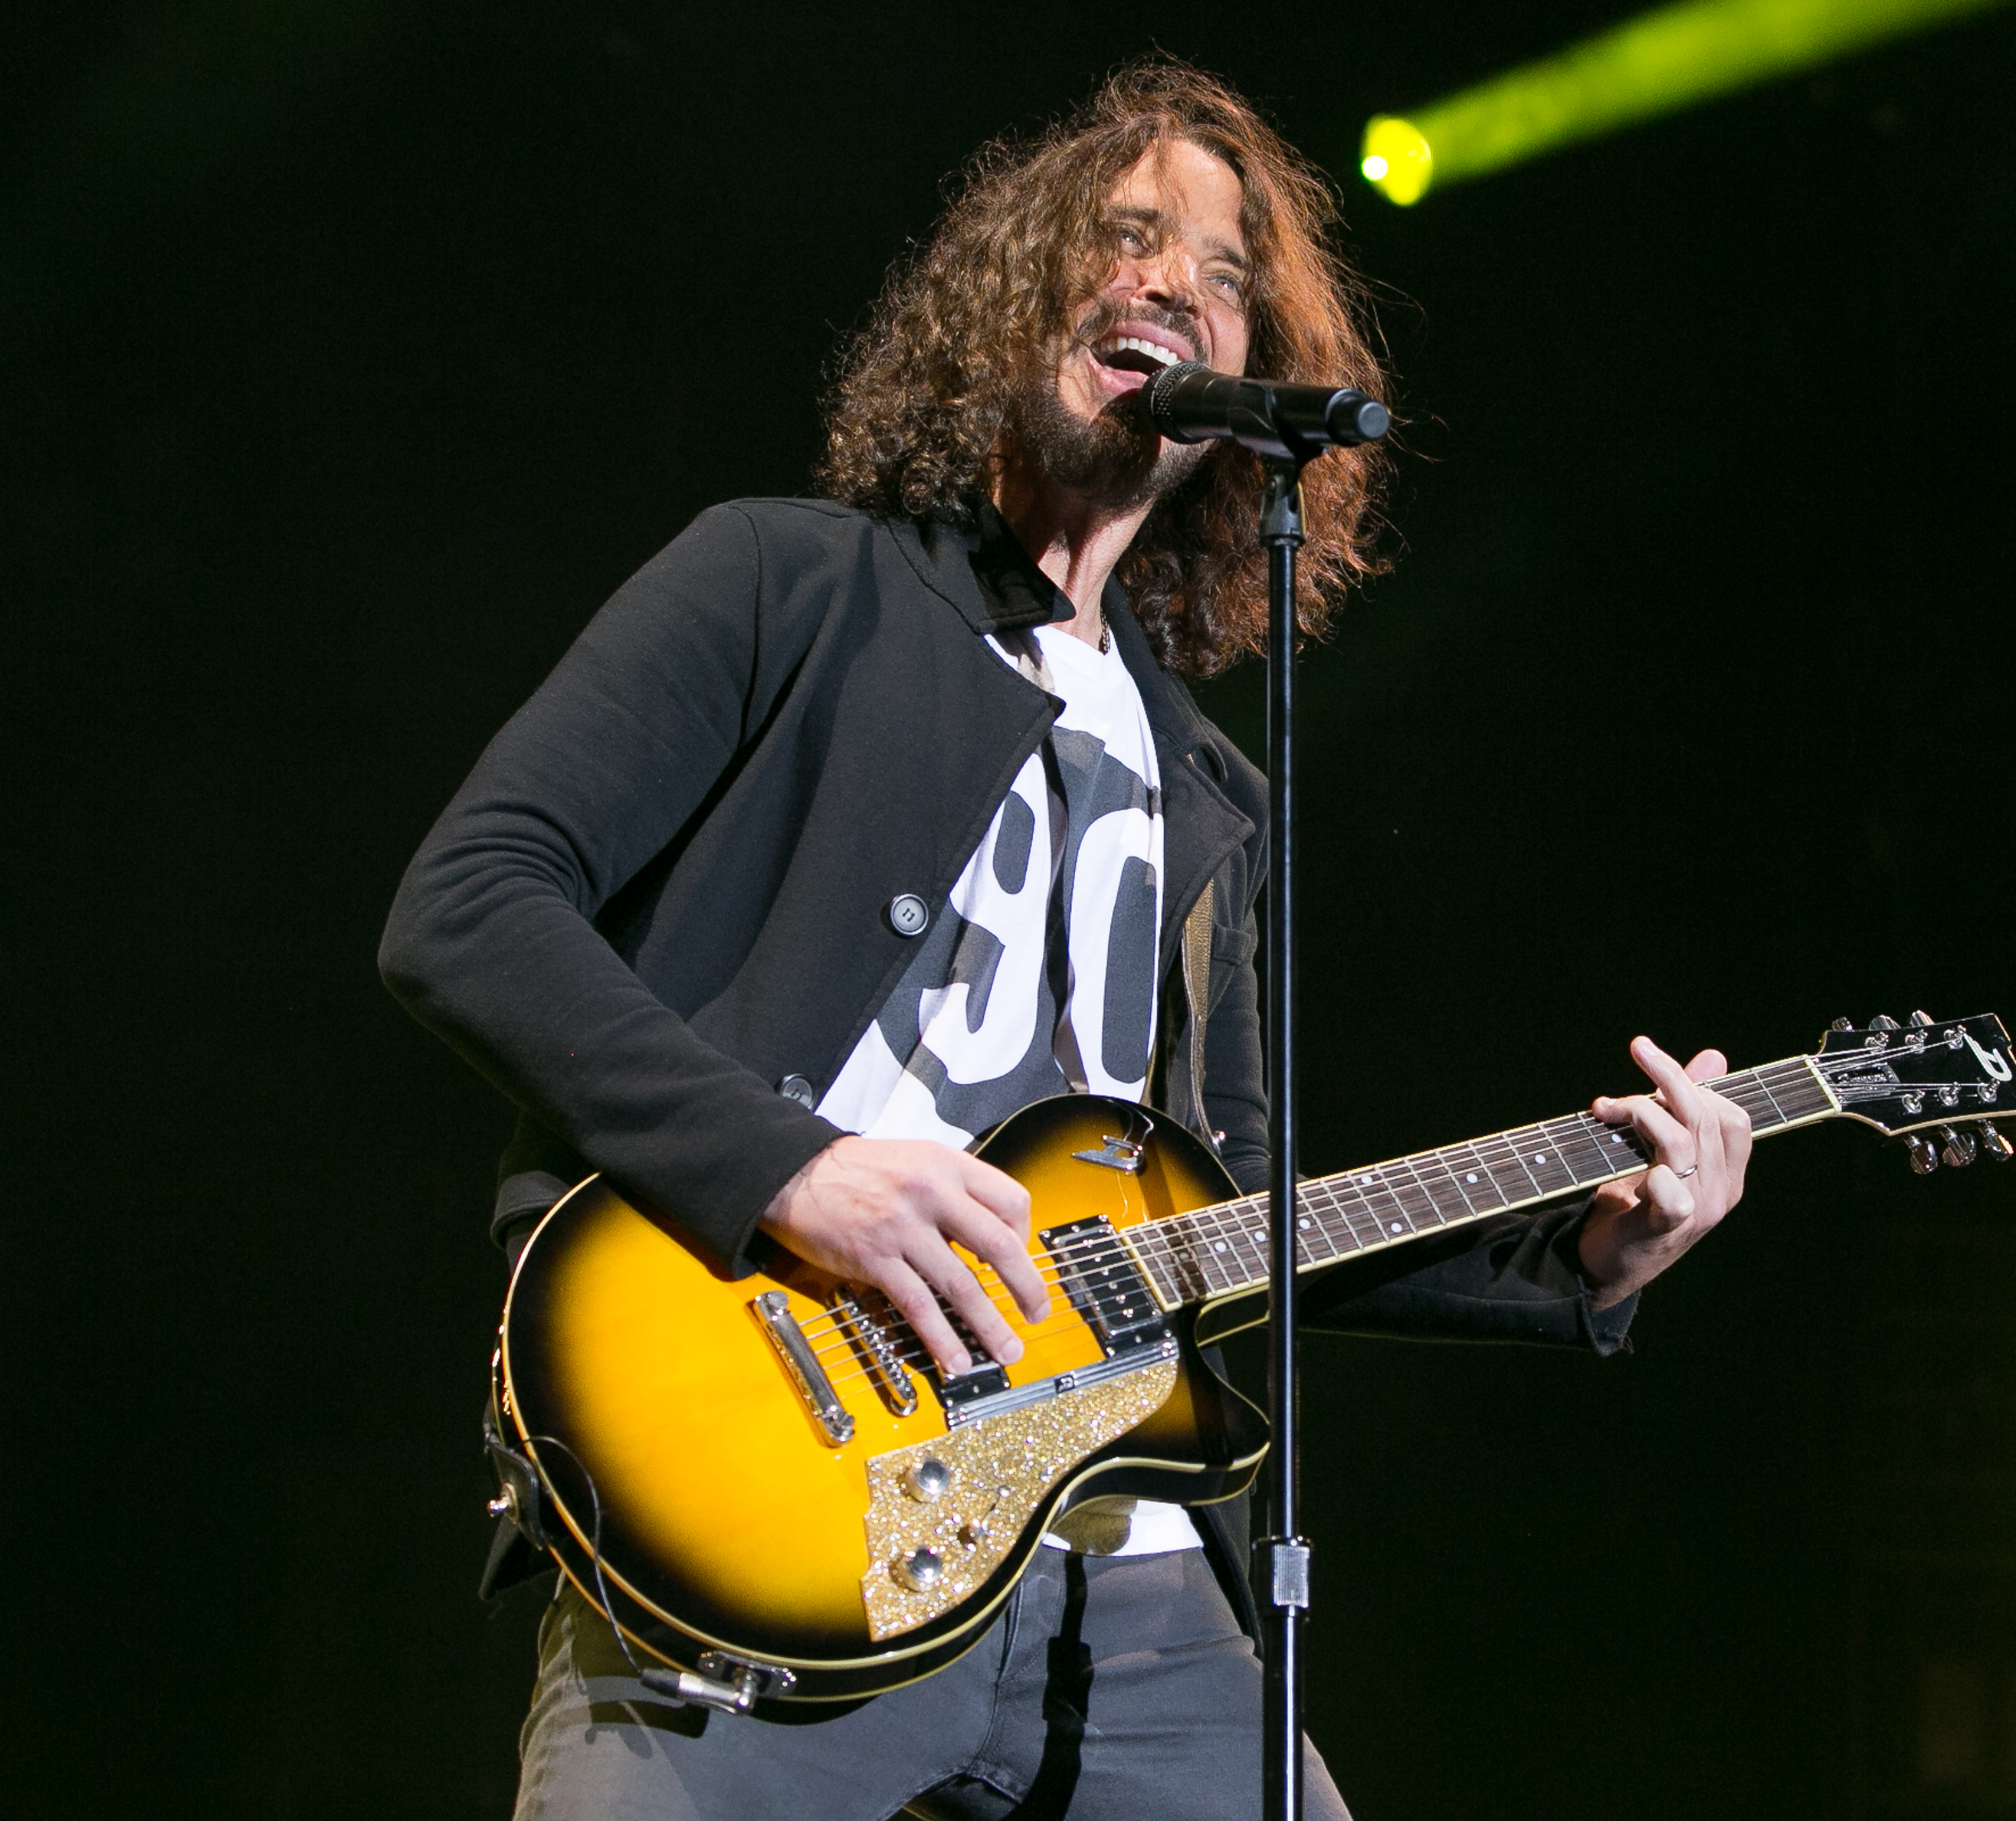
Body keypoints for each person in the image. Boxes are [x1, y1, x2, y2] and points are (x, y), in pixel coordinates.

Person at [379, 61, 1752, 1821]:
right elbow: (471, 899)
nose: (1171, 279)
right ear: (1016, 295)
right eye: (1123, 237)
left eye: (1220, 267)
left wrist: (1581, 1262)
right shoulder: (785, 585)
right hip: (772, 1499)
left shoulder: (1209, 791)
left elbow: (1242, 1206)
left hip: (1124, 1571)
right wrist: (795, 1170)